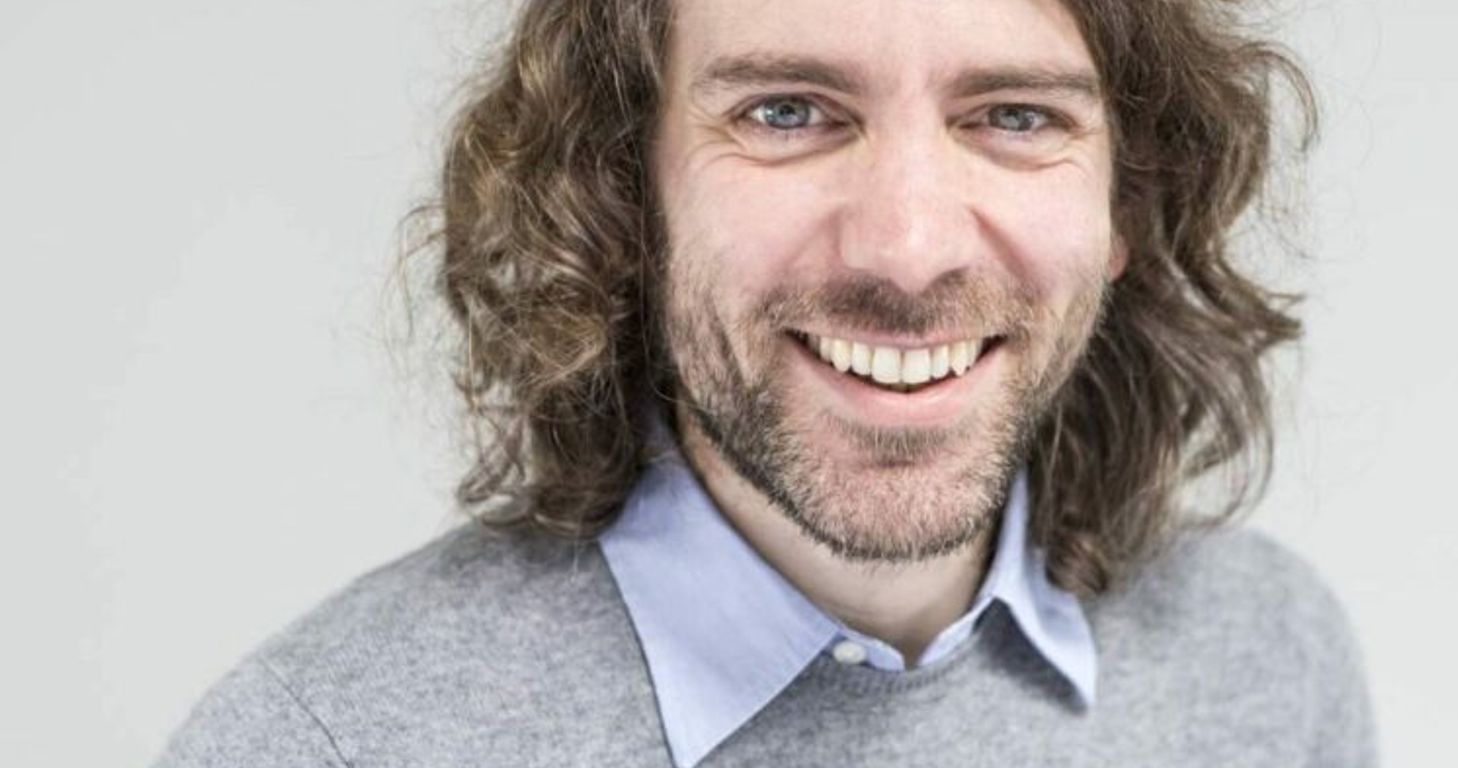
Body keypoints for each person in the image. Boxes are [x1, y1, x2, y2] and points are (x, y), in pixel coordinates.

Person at [153, 0, 1377, 765]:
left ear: (1128, 206)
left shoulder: (1267, 658)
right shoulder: (326, 744)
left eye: (1013, 116)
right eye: (788, 111)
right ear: (625, 195)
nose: (907, 249)